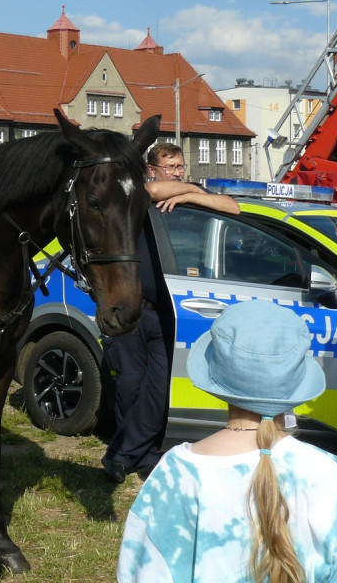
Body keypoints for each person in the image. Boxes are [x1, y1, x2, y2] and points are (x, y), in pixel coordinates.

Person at [117, 299, 337, 583]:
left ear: (215, 378)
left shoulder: (176, 473)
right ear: (297, 383)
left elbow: (142, 572)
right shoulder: (330, 474)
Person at [100, 142, 239, 484]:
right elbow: (154, 190)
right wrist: (186, 189)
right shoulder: (142, 194)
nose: (177, 172)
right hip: (135, 308)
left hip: (171, 311)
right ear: (152, 169)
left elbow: (232, 208)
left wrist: (193, 195)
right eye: (170, 167)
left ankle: (119, 455)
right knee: (130, 386)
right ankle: (143, 455)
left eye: (180, 166)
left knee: (159, 390)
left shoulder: (188, 196)